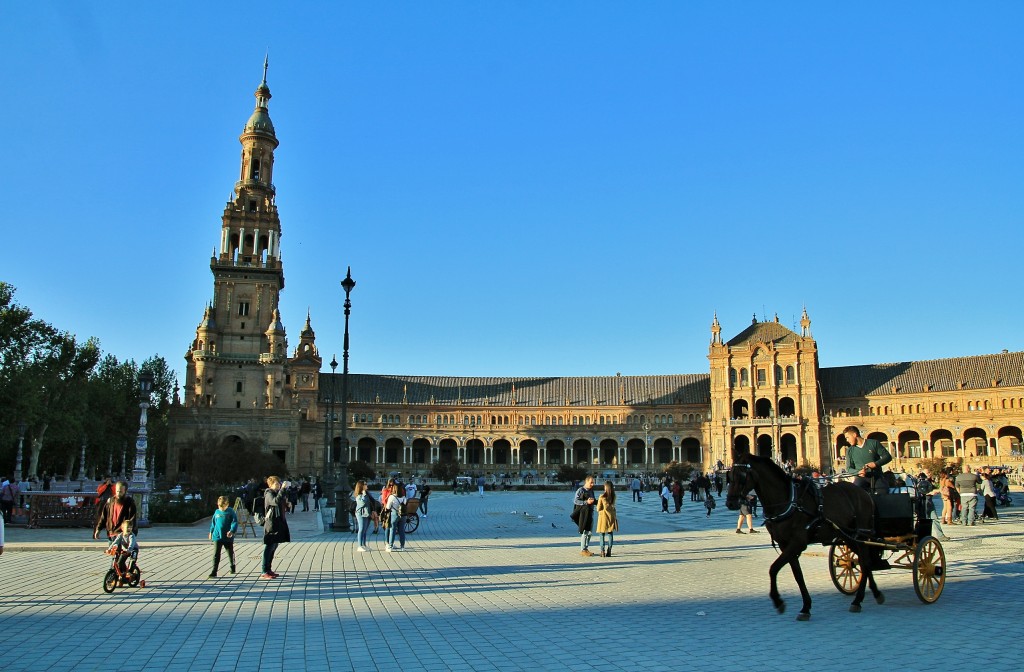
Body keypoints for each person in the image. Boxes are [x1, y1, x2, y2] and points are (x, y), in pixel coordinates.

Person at [843, 426, 892, 493]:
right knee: (855, 492)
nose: (847, 440)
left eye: (847, 437)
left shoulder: (874, 443)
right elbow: (848, 468)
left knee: (883, 492)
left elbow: (888, 457)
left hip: (877, 476)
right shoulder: (850, 450)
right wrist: (858, 472)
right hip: (861, 478)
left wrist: (875, 464)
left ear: (854, 434)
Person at [261, 476, 291, 578]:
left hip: (278, 522)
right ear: (271, 485)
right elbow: (275, 501)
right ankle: (264, 571)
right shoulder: (269, 493)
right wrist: (282, 489)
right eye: (276, 484)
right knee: (269, 547)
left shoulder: (275, 493)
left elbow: (280, 503)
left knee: (274, 547)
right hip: (271, 524)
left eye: (279, 484)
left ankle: (269, 569)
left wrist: (287, 505)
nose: (278, 485)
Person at [209, 496, 238, 577]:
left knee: (230, 553)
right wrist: (211, 532)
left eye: (223, 507)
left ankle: (232, 566)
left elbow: (234, 522)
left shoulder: (230, 512)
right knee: (216, 554)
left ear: (227, 505)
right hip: (217, 536)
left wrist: (232, 530)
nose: (221, 508)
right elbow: (213, 523)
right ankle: (214, 571)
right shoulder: (217, 512)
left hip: (227, 537)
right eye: (219, 506)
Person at [574, 475, 598, 557]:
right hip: (583, 514)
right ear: (586, 482)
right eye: (591, 482)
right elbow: (576, 501)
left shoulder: (591, 491)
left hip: (590, 512)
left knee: (590, 532)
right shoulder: (581, 490)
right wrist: (586, 502)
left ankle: (586, 548)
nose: (592, 484)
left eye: (593, 483)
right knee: (585, 531)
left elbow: (593, 500)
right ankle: (583, 549)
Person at [596, 480, 618, 557]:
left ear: (606, 487)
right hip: (611, 516)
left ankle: (602, 551)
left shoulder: (602, 496)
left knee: (602, 534)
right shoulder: (613, 496)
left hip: (603, 517)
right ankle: (609, 550)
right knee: (610, 533)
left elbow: (598, 508)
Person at [384, 483, 407, 552]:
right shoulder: (403, 497)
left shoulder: (392, 497)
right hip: (403, 515)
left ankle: (390, 546)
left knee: (392, 530)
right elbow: (405, 505)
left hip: (394, 514)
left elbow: (388, 507)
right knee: (401, 531)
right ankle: (402, 546)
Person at [353, 480, 371, 551]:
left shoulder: (366, 494)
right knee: (361, 529)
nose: (367, 485)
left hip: (366, 513)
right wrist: (364, 494)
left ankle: (364, 544)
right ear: (361, 486)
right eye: (365, 484)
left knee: (365, 529)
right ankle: (359, 545)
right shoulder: (359, 496)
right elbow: (362, 503)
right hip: (360, 513)